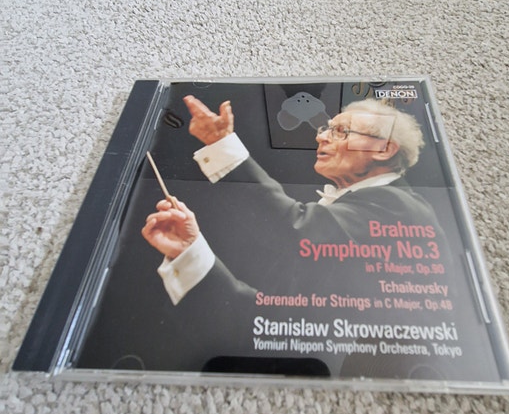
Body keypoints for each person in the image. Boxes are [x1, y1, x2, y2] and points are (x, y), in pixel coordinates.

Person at [141, 95, 436, 306]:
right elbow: (271, 314)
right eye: (326, 128)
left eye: (340, 131)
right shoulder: (360, 213)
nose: (321, 138)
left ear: (384, 150)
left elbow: (296, 229)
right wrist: (189, 251)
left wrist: (222, 145)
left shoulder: (398, 206)